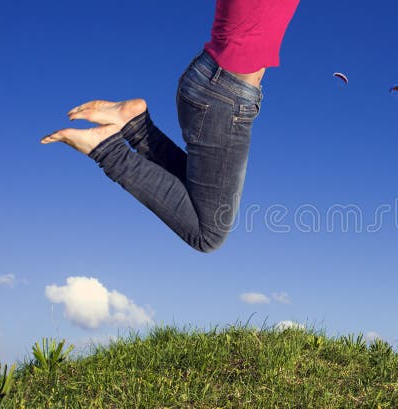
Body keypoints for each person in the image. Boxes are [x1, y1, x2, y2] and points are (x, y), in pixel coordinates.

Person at [41, 0, 300, 252]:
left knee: (197, 197)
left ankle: (133, 124)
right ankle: (107, 150)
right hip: (222, 97)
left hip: (215, 86)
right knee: (207, 235)